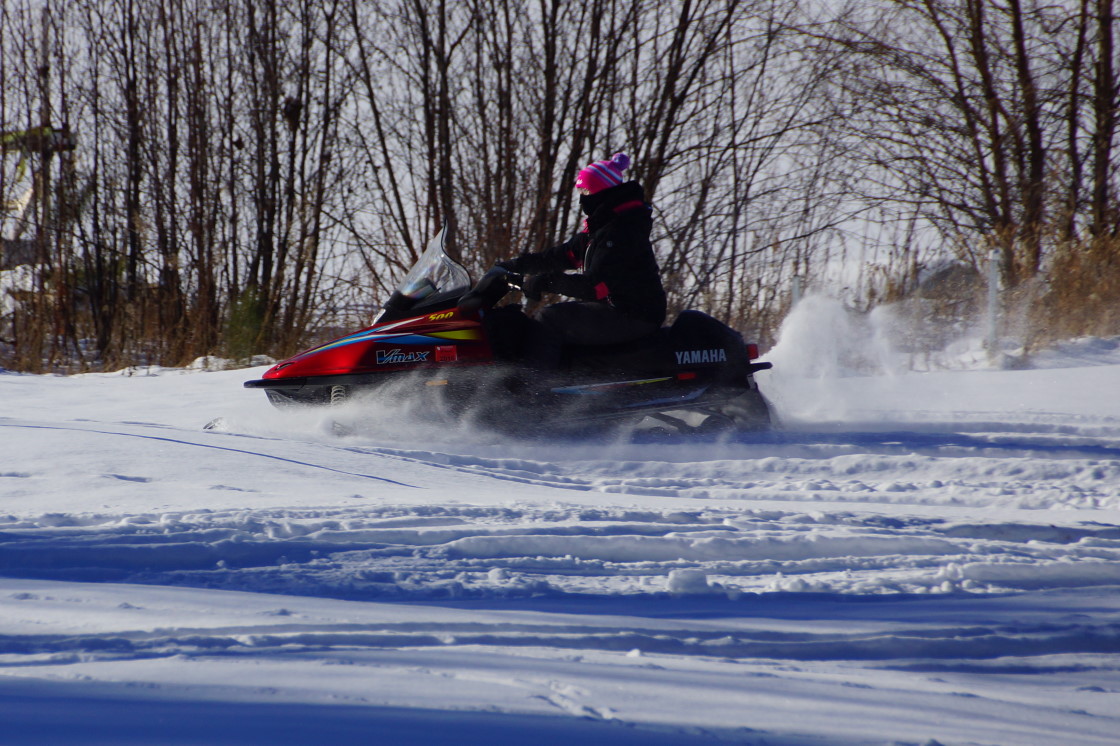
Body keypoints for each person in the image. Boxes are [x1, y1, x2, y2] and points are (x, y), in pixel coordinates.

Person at [498, 152, 666, 367]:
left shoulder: (621, 232)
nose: (582, 199)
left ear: (603, 192)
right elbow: (561, 256)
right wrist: (511, 266)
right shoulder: (600, 229)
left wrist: (545, 282)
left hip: (635, 314)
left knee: (549, 319)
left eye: (586, 191)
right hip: (619, 309)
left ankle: (534, 385)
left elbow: (595, 287)